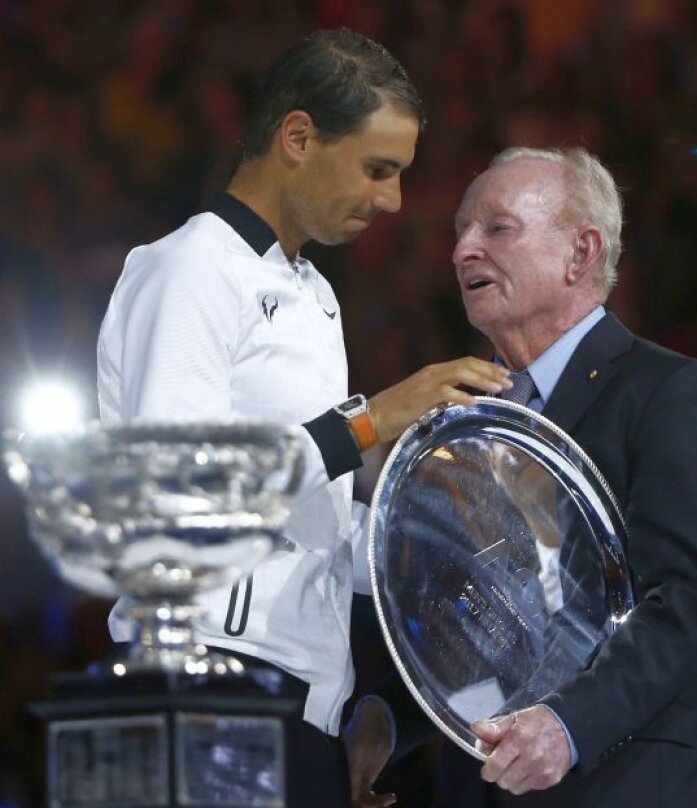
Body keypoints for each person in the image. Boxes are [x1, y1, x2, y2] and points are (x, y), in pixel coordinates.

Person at [95, 29, 510, 807]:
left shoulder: (314, 295)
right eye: (377, 169)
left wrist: (424, 553)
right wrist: (369, 421)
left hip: (305, 711)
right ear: (298, 137)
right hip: (207, 687)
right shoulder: (189, 270)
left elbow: (302, 522)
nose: (391, 200)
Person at [347, 146, 697, 806]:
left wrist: (566, 726)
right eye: (460, 232)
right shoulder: (461, 425)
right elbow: (481, 640)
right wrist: (388, 721)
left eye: (496, 228)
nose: (462, 251)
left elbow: (683, 613)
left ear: (580, 253)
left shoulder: (670, 392)